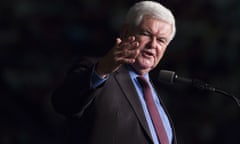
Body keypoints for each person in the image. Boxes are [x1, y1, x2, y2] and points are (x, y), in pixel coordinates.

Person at [52, 1, 177, 144]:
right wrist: (102, 69)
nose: (153, 44)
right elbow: (62, 103)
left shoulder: (154, 94)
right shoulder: (98, 71)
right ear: (125, 32)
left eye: (161, 40)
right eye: (146, 34)